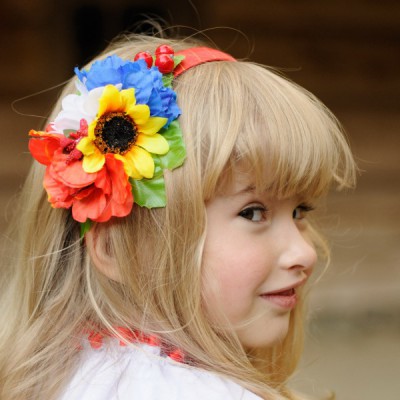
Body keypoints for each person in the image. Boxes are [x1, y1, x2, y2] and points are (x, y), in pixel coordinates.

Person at [0, 34, 356, 400]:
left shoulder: (71, 377)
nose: (305, 253)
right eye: (253, 213)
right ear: (116, 249)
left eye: (300, 212)